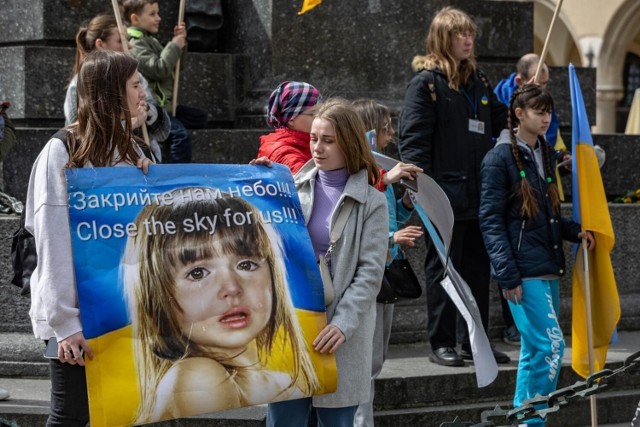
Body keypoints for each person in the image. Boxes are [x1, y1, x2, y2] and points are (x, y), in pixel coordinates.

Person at [24, 50, 153, 426]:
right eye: (134, 85)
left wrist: (151, 182)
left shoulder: (137, 150)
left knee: (125, 415)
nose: (143, 92)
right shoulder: (62, 150)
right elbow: (52, 241)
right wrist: (66, 324)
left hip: (126, 312)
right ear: (113, 92)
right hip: (75, 319)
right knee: (71, 417)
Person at [122, 188, 319, 424]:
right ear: (158, 297)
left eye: (246, 264)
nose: (232, 288)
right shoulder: (199, 377)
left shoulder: (275, 377)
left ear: (273, 276)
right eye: (197, 273)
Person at [265, 98, 389, 427]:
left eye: (328, 140)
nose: (317, 148)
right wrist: (256, 187)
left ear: (349, 143)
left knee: (336, 422)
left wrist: (342, 326)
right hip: (292, 327)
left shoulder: (373, 203)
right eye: (314, 138)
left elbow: (370, 274)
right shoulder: (288, 187)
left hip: (340, 335)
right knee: (284, 421)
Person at [397, 6, 509, 367]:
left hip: (480, 195)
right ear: (443, 39)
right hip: (442, 195)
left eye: (471, 33)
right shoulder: (427, 84)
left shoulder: (480, 82)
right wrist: (418, 189)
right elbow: (413, 142)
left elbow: (502, 121)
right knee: (443, 269)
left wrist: (524, 96)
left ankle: (474, 341)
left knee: (477, 271)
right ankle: (442, 341)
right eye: (460, 34)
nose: (468, 39)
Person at [479, 84, 595, 426]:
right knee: (551, 346)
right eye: (538, 112)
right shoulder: (498, 157)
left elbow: (545, 214)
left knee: (534, 351)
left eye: (548, 112)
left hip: (546, 264)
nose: (546, 119)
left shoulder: (543, 151)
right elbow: (490, 220)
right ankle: (532, 422)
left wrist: (573, 231)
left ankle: (524, 418)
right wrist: (507, 274)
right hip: (521, 270)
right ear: (519, 114)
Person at [352, 99, 423, 427]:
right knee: (365, 361)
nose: (391, 132)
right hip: (367, 271)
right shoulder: (360, 168)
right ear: (369, 128)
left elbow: (390, 214)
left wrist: (406, 199)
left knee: (375, 360)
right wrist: (391, 240)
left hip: (385, 268)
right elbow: (359, 220)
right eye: (385, 126)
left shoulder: (380, 169)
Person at [64, 14, 170, 163]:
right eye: (121, 40)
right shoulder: (79, 86)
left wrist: (147, 111)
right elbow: (81, 136)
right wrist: (131, 124)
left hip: (142, 164)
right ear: (100, 44)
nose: (130, 45)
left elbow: (163, 131)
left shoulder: (138, 77)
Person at [123, 0, 208, 164]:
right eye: (152, 14)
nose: (159, 18)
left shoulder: (150, 40)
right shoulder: (134, 44)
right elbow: (159, 69)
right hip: (155, 106)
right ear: (135, 19)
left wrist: (179, 43)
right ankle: (176, 176)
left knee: (201, 118)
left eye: (158, 13)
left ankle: (168, 129)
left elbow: (174, 67)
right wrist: (174, 46)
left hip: (168, 104)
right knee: (180, 136)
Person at [258, 81, 323, 175]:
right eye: (313, 114)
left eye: (321, 112)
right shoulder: (285, 154)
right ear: (291, 119)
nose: (320, 118)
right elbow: (309, 184)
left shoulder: (303, 143)